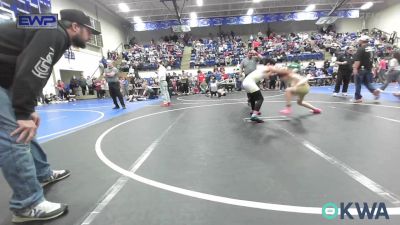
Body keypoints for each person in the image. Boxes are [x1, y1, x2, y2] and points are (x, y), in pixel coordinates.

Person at [0, 9, 100, 223]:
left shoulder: (48, 26)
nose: (90, 37)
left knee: (26, 128)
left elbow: (35, 68)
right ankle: (27, 204)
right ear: (74, 26)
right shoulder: (54, 31)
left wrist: (28, 108)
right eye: (88, 32)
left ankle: (41, 174)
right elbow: (33, 69)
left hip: (5, 77)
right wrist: (22, 111)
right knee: (15, 135)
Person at [242, 58, 276, 123]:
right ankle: (254, 116)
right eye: (273, 65)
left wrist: (271, 73)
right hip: (250, 83)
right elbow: (269, 73)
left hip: (245, 82)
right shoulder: (266, 68)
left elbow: (266, 76)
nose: (273, 67)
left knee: (252, 98)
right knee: (260, 99)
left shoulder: (262, 68)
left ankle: (253, 111)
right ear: (269, 64)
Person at [352, 36, 380, 103]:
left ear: (362, 41)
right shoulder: (372, 49)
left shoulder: (361, 49)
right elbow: (374, 59)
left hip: (361, 69)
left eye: (359, 40)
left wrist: (355, 68)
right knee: (366, 82)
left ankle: (358, 98)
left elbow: (357, 61)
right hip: (368, 68)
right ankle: (374, 91)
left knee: (358, 83)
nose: (359, 41)